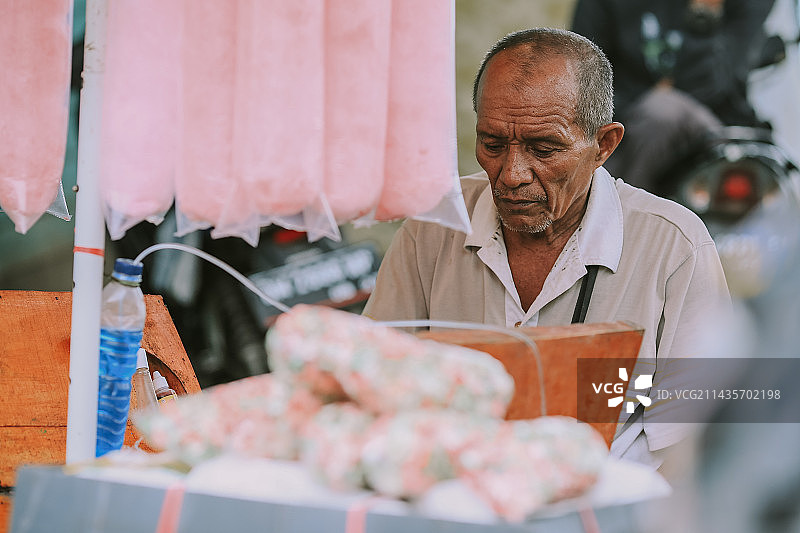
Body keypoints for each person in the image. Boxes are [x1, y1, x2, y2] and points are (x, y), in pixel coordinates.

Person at [363, 27, 731, 469]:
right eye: (493, 145)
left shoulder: (674, 247)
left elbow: (695, 446)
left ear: (603, 146)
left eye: (544, 148)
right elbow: (371, 384)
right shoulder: (434, 227)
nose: (512, 173)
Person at [571, 0, 777, 193]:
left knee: (662, 112)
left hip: (708, 124)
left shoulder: (746, 5)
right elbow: (583, 79)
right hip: (624, 115)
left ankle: (621, 217)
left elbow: (711, 85)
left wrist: (704, 14)